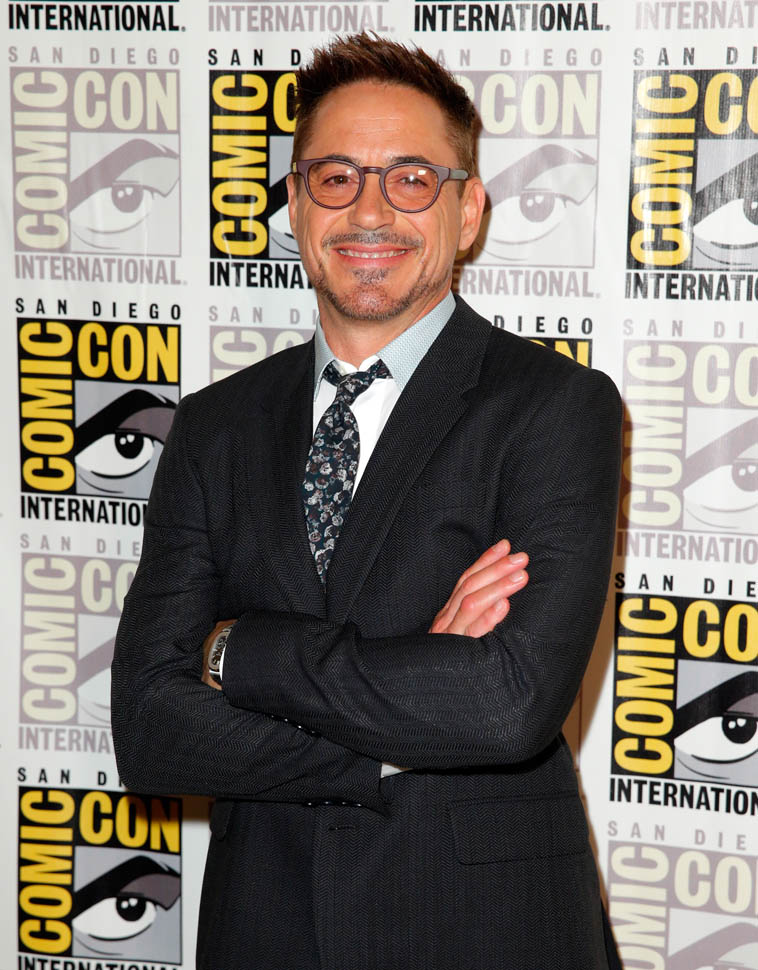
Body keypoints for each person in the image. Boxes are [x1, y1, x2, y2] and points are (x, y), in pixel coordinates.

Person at [112, 33, 622, 970]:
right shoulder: (215, 425)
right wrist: (401, 723)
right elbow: (150, 728)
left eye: (413, 179)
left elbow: (504, 703)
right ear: (297, 204)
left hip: (485, 931)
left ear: (468, 212)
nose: (371, 210)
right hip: (263, 928)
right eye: (336, 176)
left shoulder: (557, 407)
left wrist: (235, 650)